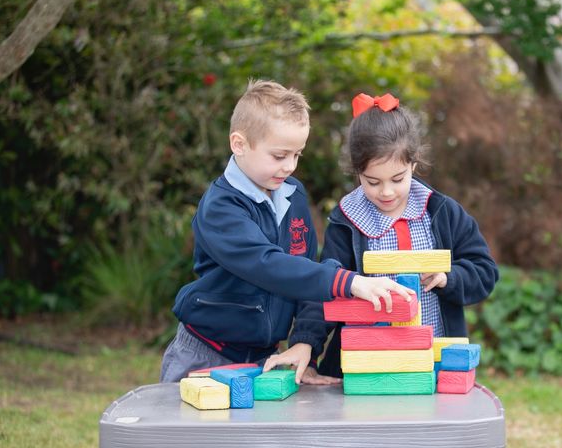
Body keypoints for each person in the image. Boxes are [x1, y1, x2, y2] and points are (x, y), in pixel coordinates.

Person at [160, 80, 413, 385]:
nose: (289, 166)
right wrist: (348, 282)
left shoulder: (293, 195)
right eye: (279, 156)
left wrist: (304, 345)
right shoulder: (220, 208)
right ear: (239, 144)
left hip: (266, 358)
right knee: (190, 432)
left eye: (297, 155)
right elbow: (268, 264)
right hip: (206, 353)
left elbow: (306, 275)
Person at [313, 93, 500, 378]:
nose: (386, 192)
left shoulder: (441, 212)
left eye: (397, 179)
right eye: (372, 182)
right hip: (367, 364)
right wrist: (306, 343)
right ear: (357, 172)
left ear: (413, 164)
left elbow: (485, 272)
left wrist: (449, 278)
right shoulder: (345, 222)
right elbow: (323, 290)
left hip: (432, 360)